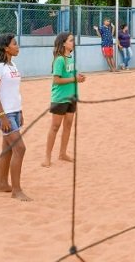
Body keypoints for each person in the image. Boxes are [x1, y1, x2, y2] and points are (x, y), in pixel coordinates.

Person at [0, 34, 31, 201]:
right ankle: (16, 190)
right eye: (15, 44)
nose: (17, 46)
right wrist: (2, 116)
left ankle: (3, 184)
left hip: (14, 112)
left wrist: (20, 111)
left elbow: (14, 92)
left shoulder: (12, 65)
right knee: (20, 148)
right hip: (3, 114)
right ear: (6, 48)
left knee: (7, 149)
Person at [42, 32, 86, 168]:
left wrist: (79, 77)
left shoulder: (71, 58)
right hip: (60, 98)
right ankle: (47, 157)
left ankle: (62, 153)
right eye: (71, 40)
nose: (73, 42)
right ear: (63, 43)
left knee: (68, 125)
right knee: (55, 127)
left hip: (72, 97)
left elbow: (71, 75)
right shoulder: (60, 60)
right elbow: (56, 80)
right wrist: (74, 79)